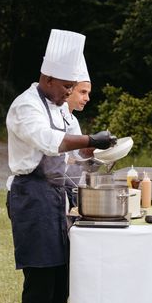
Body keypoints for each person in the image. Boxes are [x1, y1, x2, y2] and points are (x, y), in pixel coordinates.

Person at [6, 29, 116, 303]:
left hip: (55, 197)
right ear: (48, 77)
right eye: (67, 86)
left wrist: (93, 152)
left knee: (62, 275)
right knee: (40, 278)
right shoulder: (25, 107)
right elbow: (50, 142)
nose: (69, 92)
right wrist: (90, 140)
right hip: (31, 196)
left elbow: (71, 156)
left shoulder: (57, 106)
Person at [63, 57, 93, 208]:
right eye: (83, 92)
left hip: (64, 187)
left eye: (88, 93)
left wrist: (96, 151)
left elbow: (78, 156)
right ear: (69, 89)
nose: (87, 98)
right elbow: (62, 157)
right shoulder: (52, 115)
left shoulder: (73, 120)